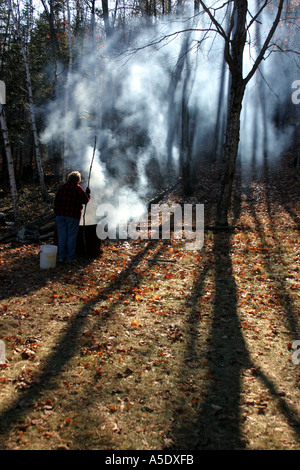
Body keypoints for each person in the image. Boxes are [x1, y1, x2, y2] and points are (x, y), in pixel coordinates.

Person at [54, 171, 90, 262]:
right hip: (73, 215)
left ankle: (61, 257)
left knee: (62, 236)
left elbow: (56, 200)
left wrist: (57, 212)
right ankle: (70, 257)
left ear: (69, 178)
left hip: (60, 215)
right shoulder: (78, 188)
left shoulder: (62, 187)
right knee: (71, 237)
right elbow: (85, 201)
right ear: (78, 179)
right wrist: (88, 194)